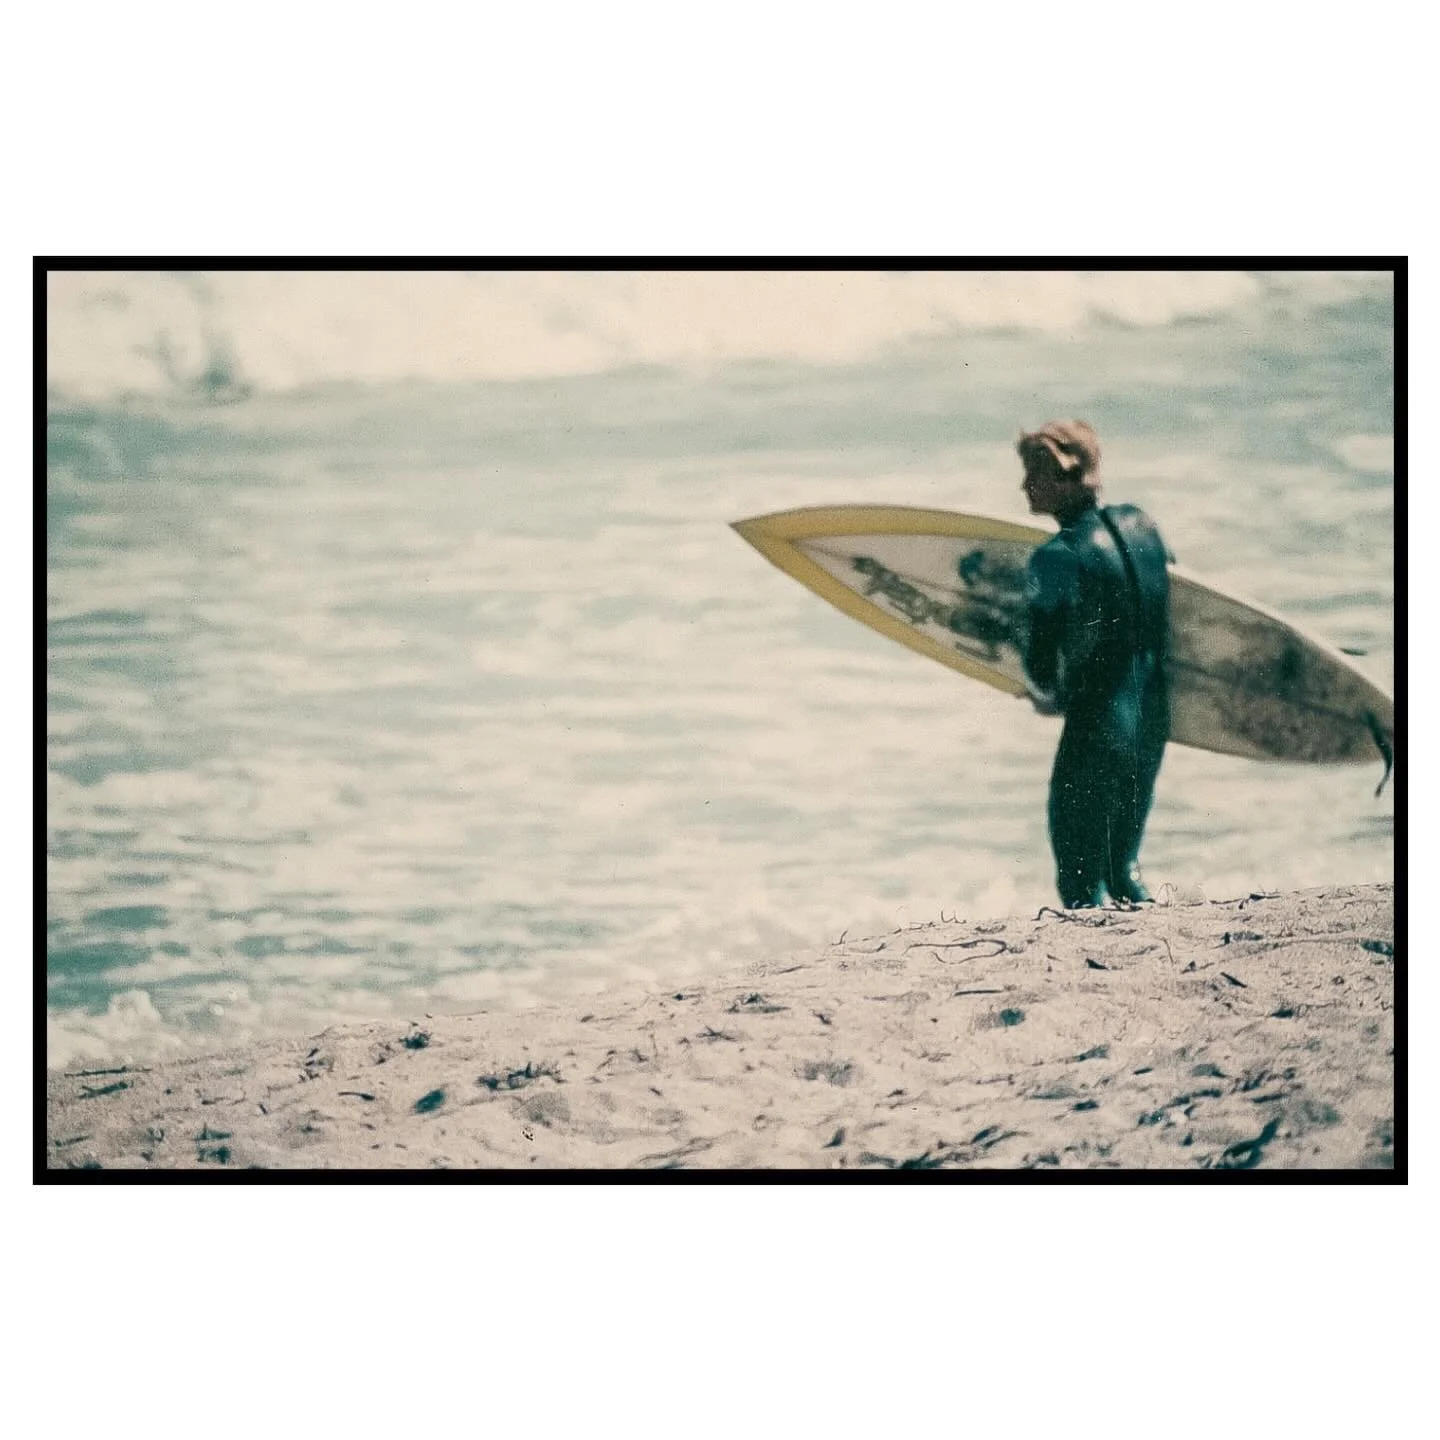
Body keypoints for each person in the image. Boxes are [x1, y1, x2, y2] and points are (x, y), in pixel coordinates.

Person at [1016, 421, 1172, 908]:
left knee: (1080, 879)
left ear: (1064, 479)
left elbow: (1042, 669)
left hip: (1100, 725)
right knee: (1121, 868)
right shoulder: (1142, 525)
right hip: (1152, 718)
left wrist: (1044, 695)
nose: (1024, 486)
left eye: (1034, 474)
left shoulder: (1056, 559)